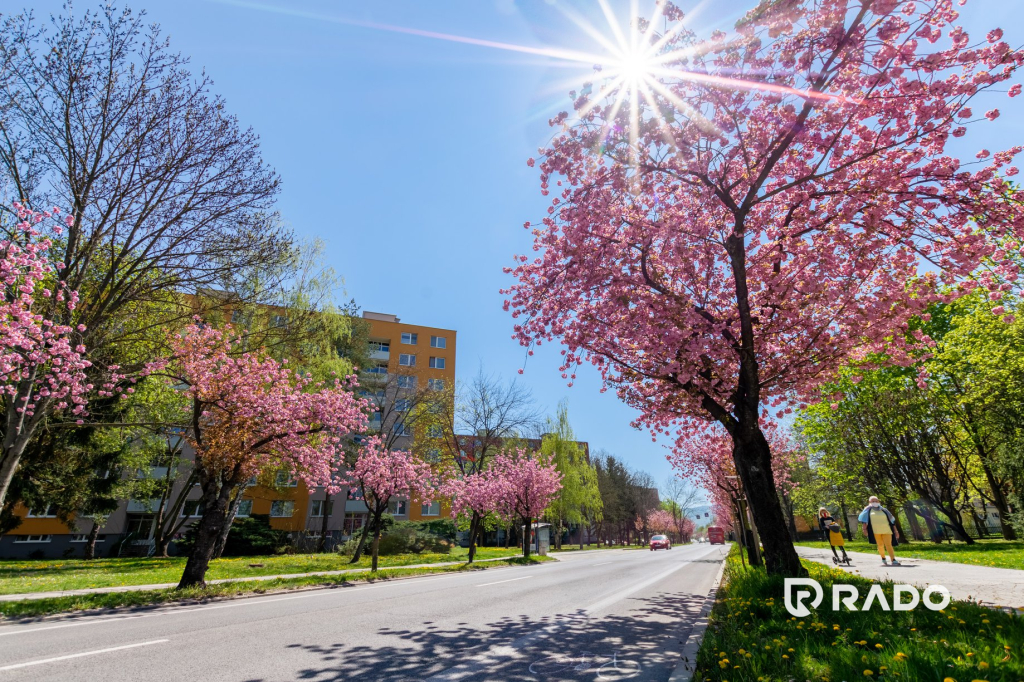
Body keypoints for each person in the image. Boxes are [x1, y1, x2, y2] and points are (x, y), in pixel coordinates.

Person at [858, 495, 901, 565]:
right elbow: (864, 521)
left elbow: (892, 521)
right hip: (875, 531)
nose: (875, 502)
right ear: (869, 502)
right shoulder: (867, 510)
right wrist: (864, 529)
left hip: (887, 530)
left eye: (876, 501)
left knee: (889, 545)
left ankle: (893, 560)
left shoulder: (884, 510)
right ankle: (883, 558)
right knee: (880, 545)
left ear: (878, 501)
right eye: (873, 501)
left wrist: (896, 531)